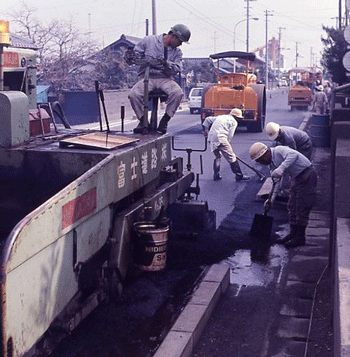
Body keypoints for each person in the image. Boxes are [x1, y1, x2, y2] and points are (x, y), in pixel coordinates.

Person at [249, 142, 317, 248]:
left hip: (306, 175)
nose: (261, 163)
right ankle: (293, 233)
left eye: (261, 159)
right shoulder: (271, 164)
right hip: (296, 178)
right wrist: (271, 200)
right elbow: (276, 182)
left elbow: (293, 155)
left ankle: (300, 237)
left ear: (266, 153)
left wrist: (281, 168)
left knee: (302, 206)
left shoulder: (279, 150)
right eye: (259, 161)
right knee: (292, 206)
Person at [128, 24, 191, 134]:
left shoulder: (177, 52)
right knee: (134, 94)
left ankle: (165, 120)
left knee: (177, 93)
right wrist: (132, 56)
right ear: (173, 36)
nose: (180, 44)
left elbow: (177, 68)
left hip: (165, 78)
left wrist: (167, 64)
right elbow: (135, 54)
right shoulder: (149, 41)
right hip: (147, 76)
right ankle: (143, 120)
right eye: (180, 41)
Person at [202, 108, 250, 182]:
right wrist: (228, 148)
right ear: (236, 117)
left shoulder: (221, 117)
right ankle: (239, 175)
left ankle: (216, 174)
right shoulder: (234, 122)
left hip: (211, 138)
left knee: (218, 156)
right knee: (232, 157)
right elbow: (230, 135)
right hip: (221, 138)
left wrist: (206, 130)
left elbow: (207, 120)